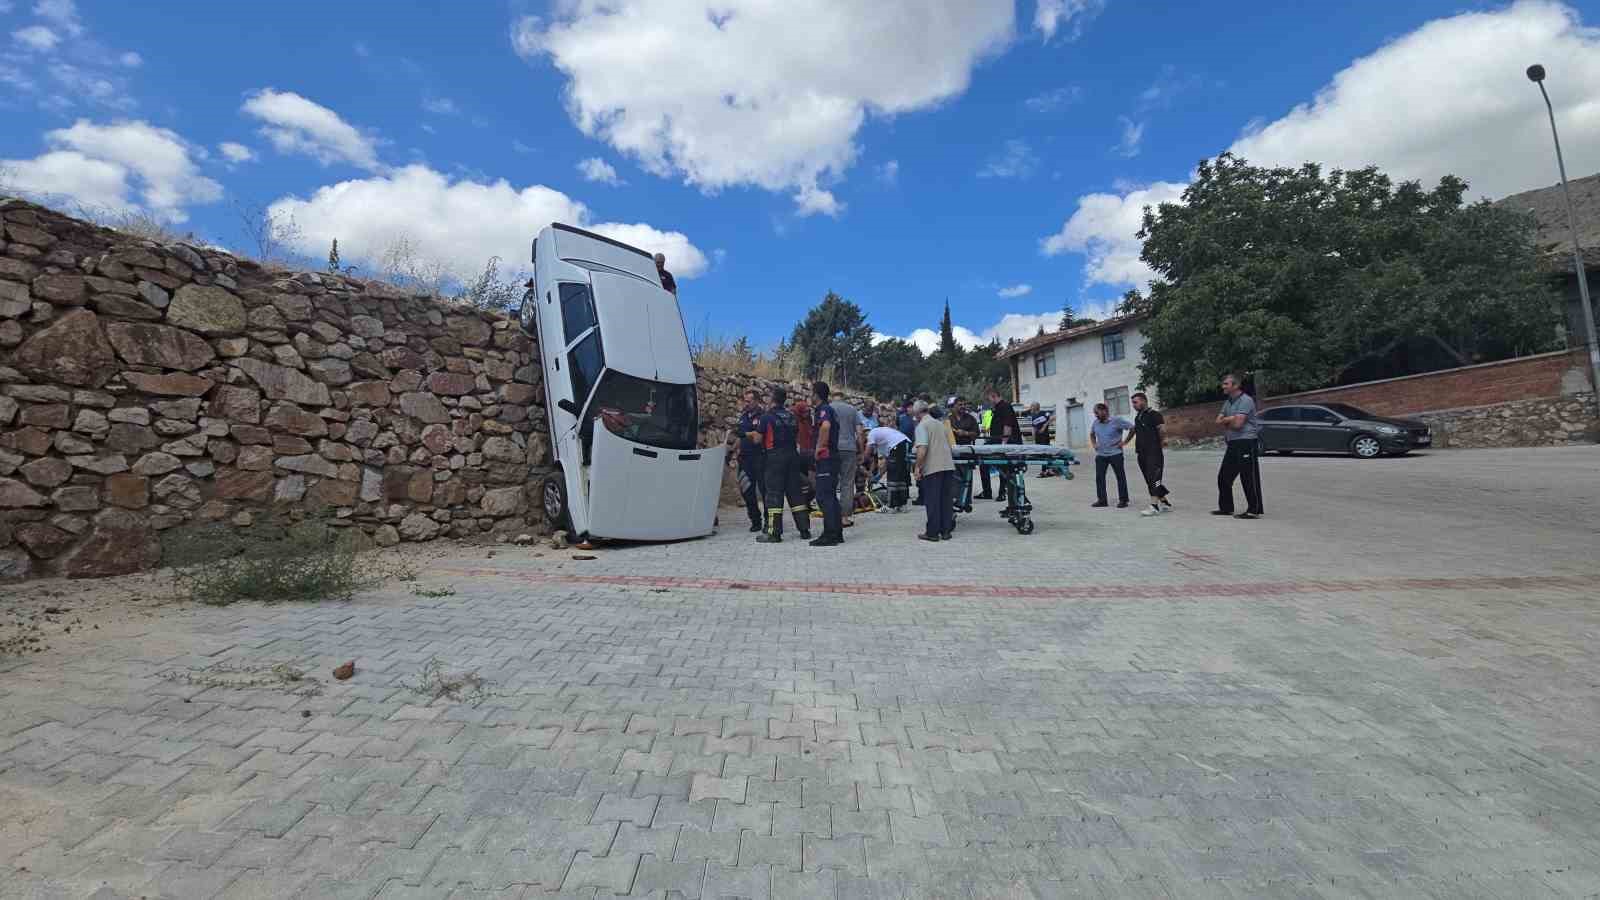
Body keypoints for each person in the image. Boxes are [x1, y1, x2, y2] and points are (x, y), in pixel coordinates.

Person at [746, 386, 811, 542]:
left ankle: (773, 533)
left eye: (768, 396)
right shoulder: (791, 416)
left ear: (773, 398)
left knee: (774, 495)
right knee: (796, 494)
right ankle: (804, 530)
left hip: (775, 459)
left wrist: (748, 433)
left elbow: (758, 439)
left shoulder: (767, 417)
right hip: (792, 457)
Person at [1214, 373, 1265, 519]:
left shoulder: (1246, 400)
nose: (1222, 386)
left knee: (1248, 476)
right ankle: (1226, 508)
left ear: (1235, 385)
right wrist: (1231, 418)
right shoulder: (1228, 402)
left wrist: (1228, 419)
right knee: (1223, 476)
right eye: (1223, 384)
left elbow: (1238, 424)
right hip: (1233, 442)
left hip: (1246, 442)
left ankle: (1253, 510)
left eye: (1226, 384)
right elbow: (1217, 421)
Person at [912, 400, 957, 541]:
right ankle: (946, 531)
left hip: (932, 468)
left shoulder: (922, 426)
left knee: (933, 501)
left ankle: (932, 533)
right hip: (948, 466)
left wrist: (917, 467)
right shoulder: (940, 424)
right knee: (946, 500)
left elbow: (922, 450)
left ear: (918, 413)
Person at [808, 382, 845, 547]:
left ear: (816, 394)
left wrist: (819, 447)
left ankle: (829, 535)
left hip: (827, 457)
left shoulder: (823, 410)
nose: (810, 395)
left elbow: (826, 426)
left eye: (811, 392)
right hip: (833, 457)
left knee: (823, 496)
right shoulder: (829, 409)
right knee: (830, 496)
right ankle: (836, 533)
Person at [1127, 391, 1173, 517]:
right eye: (1133, 403)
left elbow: (1162, 429)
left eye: (1135, 402)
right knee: (1150, 480)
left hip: (1154, 453)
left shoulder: (1155, 415)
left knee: (1155, 479)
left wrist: (1163, 441)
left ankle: (1154, 506)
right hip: (1141, 453)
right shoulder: (1138, 417)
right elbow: (1134, 431)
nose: (1134, 405)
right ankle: (1165, 503)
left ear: (1143, 401)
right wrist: (1124, 442)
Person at [828, 391, 864, 529]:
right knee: (847, 483)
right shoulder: (852, 410)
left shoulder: (828, 408)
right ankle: (845, 517)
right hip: (849, 449)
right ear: (844, 399)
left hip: (832, 448)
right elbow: (860, 432)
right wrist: (860, 450)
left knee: (831, 482)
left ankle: (831, 514)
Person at [1088, 402, 1132, 508]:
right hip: (1101, 455)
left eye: (1097, 413)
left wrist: (1125, 442)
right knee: (1100, 478)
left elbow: (1132, 428)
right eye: (1095, 413)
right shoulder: (1096, 423)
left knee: (1120, 477)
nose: (1096, 415)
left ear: (1105, 411)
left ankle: (1123, 500)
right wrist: (1094, 444)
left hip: (1115, 454)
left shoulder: (1117, 421)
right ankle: (1102, 500)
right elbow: (1092, 434)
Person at [734, 388, 766, 531]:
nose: (746, 403)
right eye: (745, 401)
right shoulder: (743, 416)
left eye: (749, 401)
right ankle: (755, 521)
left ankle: (770, 521)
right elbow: (739, 437)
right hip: (745, 459)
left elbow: (759, 437)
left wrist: (747, 434)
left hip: (761, 458)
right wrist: (733, 450)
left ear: (757, 401)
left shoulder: (764, 416)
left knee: (766, 492)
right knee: (747, 491)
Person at [985, 387, 1021, 502]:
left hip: (1008, 443)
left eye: (989, 399)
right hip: (999, 441)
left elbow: (1007, 425)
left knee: (1006, 469)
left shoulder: (1005, 407)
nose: (989, 402)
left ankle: (1004, 492)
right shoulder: (998, 408)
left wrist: (1004, 444)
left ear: (994, 396)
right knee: (1002, 468)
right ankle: (997, 492)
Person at [866, 421, 911, 512]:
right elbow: (887, 463)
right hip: (903, 443)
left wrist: (862, 464)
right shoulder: (884, 441)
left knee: (893, 478)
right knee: (900, 475)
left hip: (897, 445)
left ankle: (891, 506)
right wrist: (879, 476)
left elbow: (867, 454)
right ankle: (901, 505)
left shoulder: (871, 434)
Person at [1027, 402, 1056, 476]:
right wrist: (1033, 437)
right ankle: (1045, 470)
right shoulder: (1033, 416)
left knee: (1046, 452)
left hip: (1044, 435)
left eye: (1032, 406)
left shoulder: (1044, 413)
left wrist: (1044, 426)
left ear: (1036, 406)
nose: (1031, 407)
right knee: (1041, 454)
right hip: (1038, 437)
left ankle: (1047, 470)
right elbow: (1033, 427)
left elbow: (1052, 417)